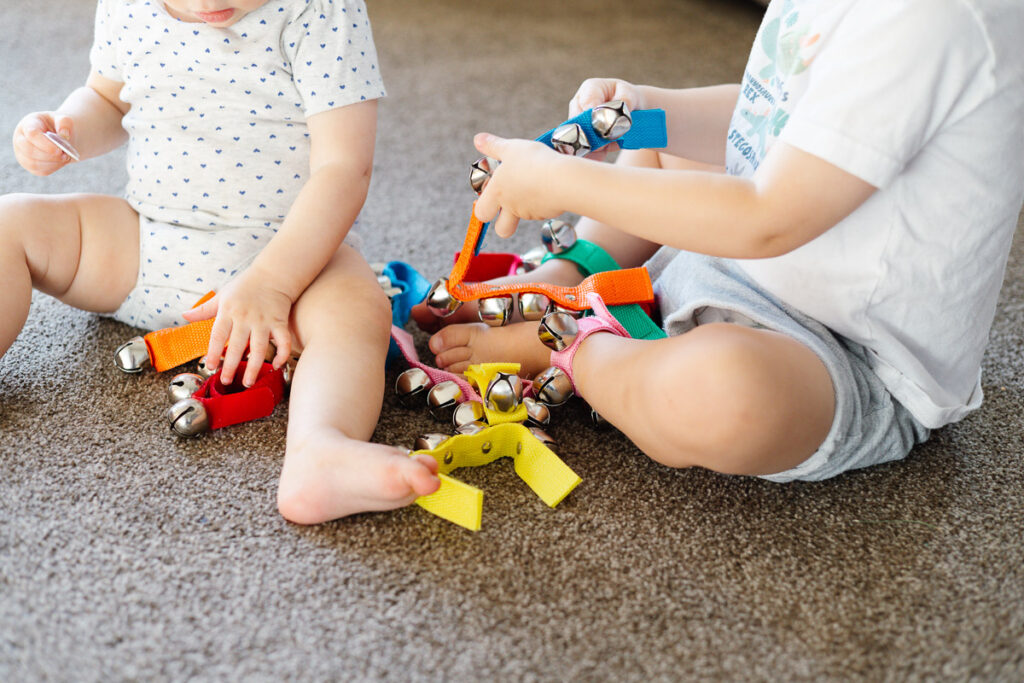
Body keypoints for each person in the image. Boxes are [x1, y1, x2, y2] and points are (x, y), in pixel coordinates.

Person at [413, 0, 1024, 481]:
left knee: (728, 394)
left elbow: (768, 216)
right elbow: (770, 124)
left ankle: (572, 343)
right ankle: (575, 276)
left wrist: (570, 181)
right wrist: (643, 111)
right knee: (660, 143)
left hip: (844, 352)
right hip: (744, 245)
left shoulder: (932, 20)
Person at [3, 0, 441, 523]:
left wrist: (274, 282)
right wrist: (67, 127)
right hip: (145, 246)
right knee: (10, 222)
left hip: (289, 274)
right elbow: (107, 97)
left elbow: (344, 169)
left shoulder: (321, 11)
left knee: (355, 307)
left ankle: (320, 452)